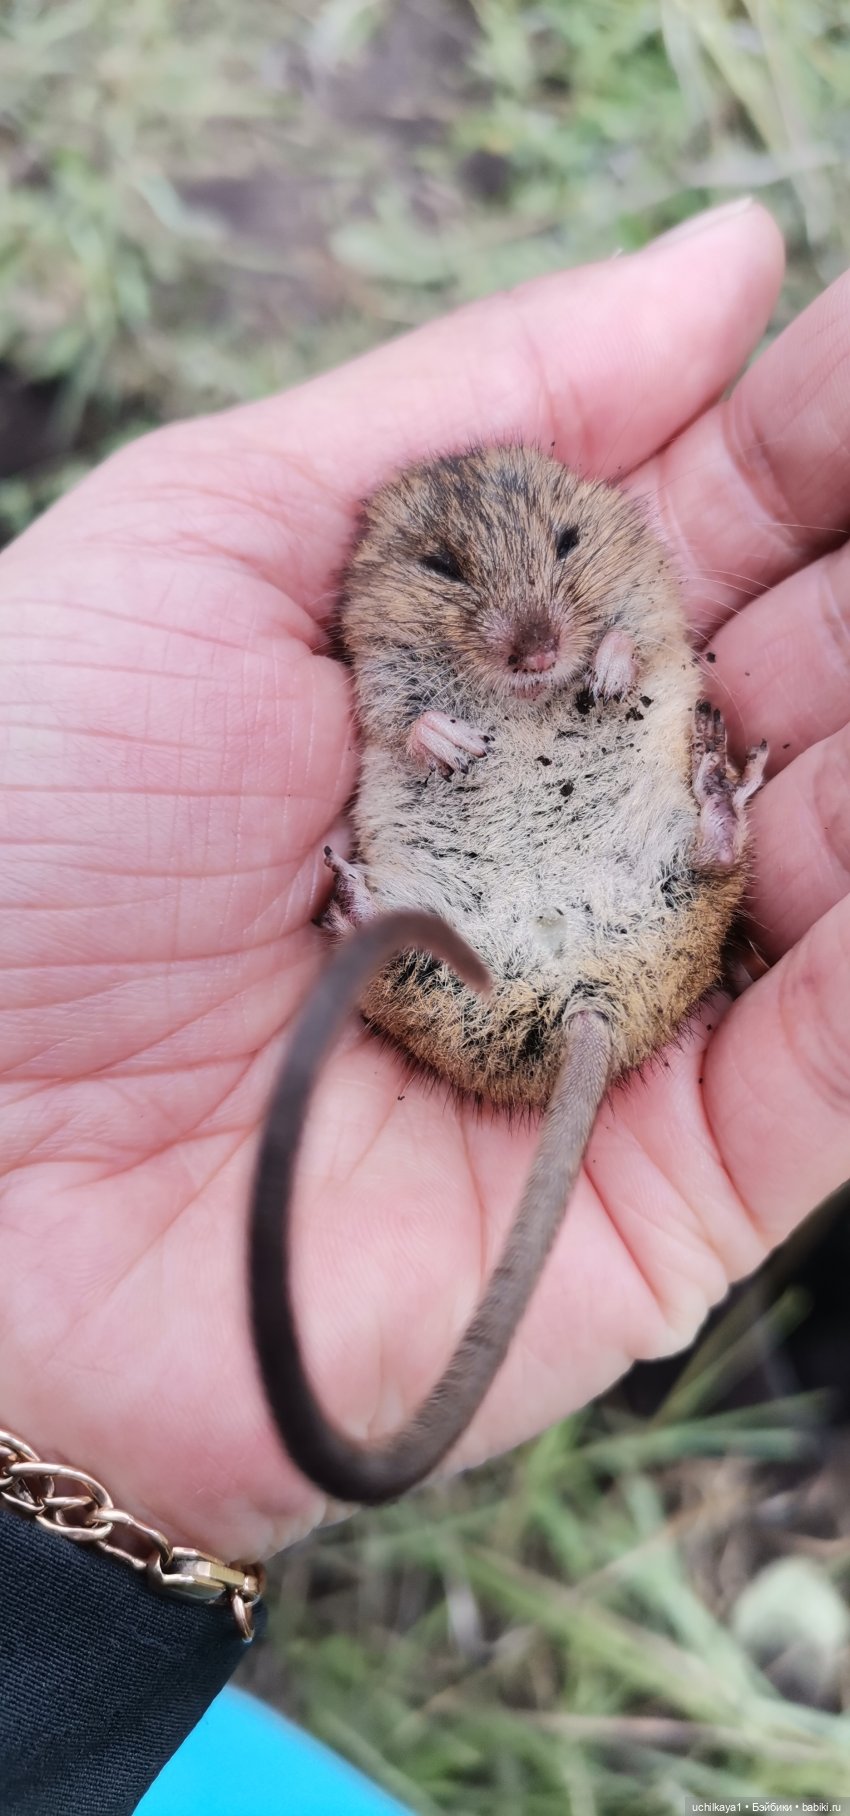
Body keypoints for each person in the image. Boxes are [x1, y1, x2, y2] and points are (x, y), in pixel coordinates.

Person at [1, 198, 849, 1813]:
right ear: (394, 580)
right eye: (458, 575)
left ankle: (687, 854)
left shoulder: (620, 604)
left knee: (667, 876)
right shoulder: (391, 650)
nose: (518, 617)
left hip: (624, 923)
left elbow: (627, 646)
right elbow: (404, 693)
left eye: (556, 570)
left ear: (607, 542)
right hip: (491, 973)